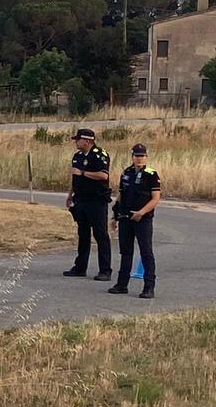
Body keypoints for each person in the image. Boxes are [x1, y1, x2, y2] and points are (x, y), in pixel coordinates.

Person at [108, 143, 161, 299]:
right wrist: (114, 216)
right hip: (126, 217)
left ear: (146, 157)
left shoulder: (152, 174)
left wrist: (142, 212)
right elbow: (121, 195)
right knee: (126, 252)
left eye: (142, 156)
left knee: (146, 252)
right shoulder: (127, 172)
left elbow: (155, 198)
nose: (139, 159)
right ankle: (121, 284)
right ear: (132, 156)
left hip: (142, 219)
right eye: (137, 156)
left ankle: (148, 287)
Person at [63, 128, 112, 281]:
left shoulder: (99, 155)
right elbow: (74, 177)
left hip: (96, 200)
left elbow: (103, 175)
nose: (76, 142)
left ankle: (105, 270)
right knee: (83, 234)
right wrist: (70, 194)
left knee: (100, 234)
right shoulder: (77, 156)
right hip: (81, 200)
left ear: (87, 141)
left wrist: (83, 173)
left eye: (78, 140)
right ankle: (80, 267)